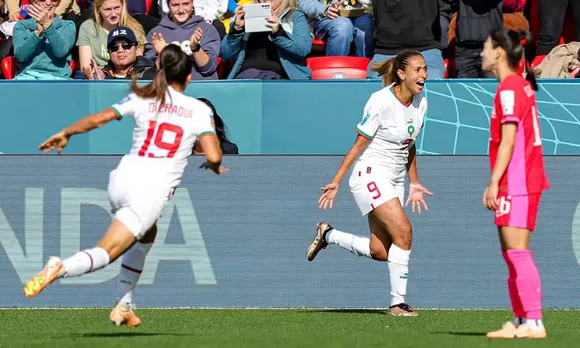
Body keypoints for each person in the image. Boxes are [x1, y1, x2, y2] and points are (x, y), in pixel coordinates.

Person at [23, 45, 228, 328]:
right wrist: (215, 165)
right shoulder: (198, 109)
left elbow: (99, 119)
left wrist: (66, 132)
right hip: (149, 191)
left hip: (121, 179)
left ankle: (123, 304)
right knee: (107, 252)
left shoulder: (144, 97)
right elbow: (214, 153)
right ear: (189, 78)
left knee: (148, 233)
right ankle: (61, 268)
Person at [306, 50, 432, 317]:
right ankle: (397, 304)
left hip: (395, 180)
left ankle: (328, 234)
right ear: (401, 74)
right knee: (404, 233)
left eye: (424, 69)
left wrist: (415, 182)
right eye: (417, 70)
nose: (423, 75)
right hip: (370, 175)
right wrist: (336, 181)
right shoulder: (381, 101)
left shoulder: (421, 103)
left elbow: (409, 145)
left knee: (381, 251)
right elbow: (359, 144)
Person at [480, 28, 549, 339]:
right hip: (519, 180)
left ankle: (533, 322)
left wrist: (494, 182)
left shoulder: (510, 88)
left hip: (518, 182)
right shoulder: (520, 86)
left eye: (485, 47)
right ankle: (521, 320)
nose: (481, 53)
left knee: (518, 252)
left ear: (498, 53)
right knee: (511, 253)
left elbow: (508, 141)